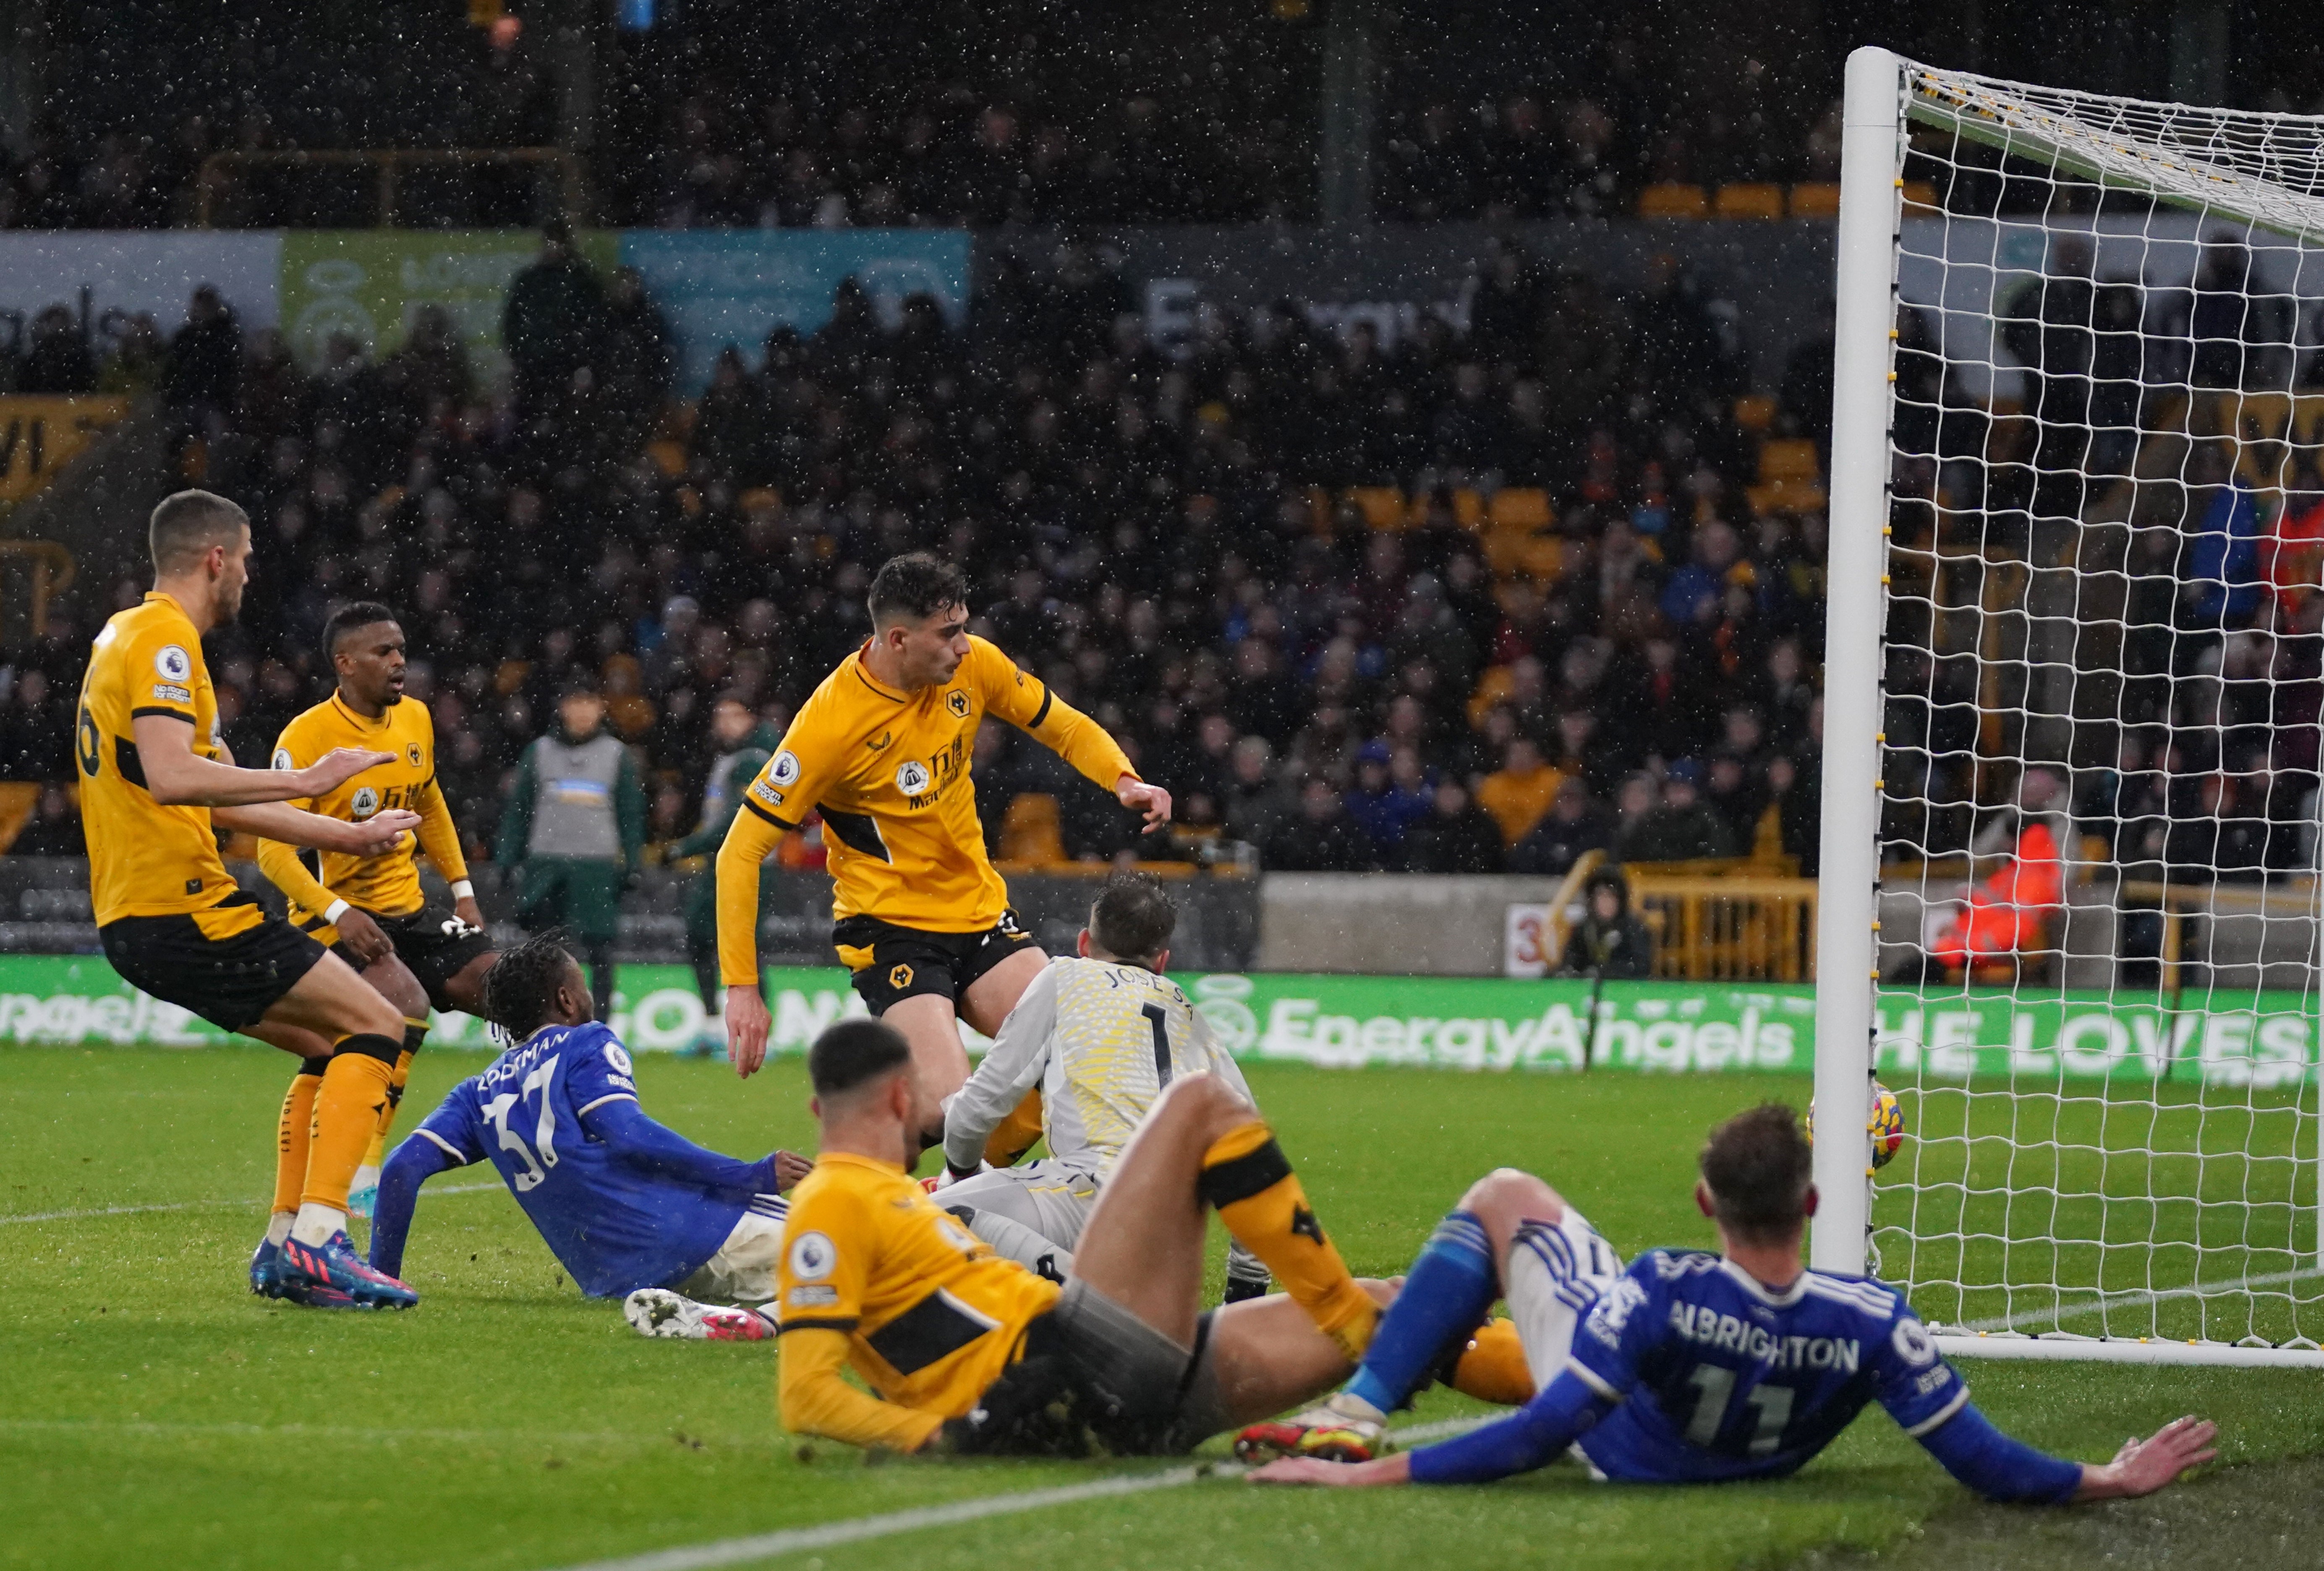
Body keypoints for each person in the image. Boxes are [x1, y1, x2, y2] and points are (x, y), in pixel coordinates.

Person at [1243, 1104, 2218, 1509]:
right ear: (1816, 1202)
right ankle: (1396, 1357)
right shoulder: (1876, 1317)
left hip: (1621, 1445)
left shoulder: (1666, 1283)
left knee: (1506, 1196)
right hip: (1735, 1446)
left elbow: (1541, 1431)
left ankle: (1352, 1418)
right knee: (1501, 1301)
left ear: (1707, 1200)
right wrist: (2112, 1476)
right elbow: (1987, 1460)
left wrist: (1369, 1483)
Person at [77, 489, 424, 1310]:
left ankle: (282, 1248)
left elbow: (212, 795)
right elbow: (173, 775)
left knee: (327, 1038)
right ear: (216, 559)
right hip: (184, 904)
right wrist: (307, 779)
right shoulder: (165, 639)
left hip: (135, 916)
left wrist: (339, 836)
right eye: (248, 557)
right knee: (381, 1022)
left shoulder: (120, 636)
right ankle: (319, 1241)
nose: (250, 573)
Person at [715, 552, 1170, 1152]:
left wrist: (1122, 778)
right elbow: (739, 852)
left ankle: (958, 1203)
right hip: (893, 929)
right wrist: (743, 989)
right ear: (899, 639)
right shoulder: (829, 724)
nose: (964, 645)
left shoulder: (974, 666)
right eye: (949, 632)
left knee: (1079, 1061)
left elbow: (1060, 724)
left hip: (980, 915)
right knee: (955, 1116)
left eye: (964, 627)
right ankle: (879, 1164)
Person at [773, 1015, 1385, 1456]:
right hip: (1057, 1374)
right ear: (903, 1097)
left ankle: (1377, 1359)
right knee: (1199, 1102)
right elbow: (805, 1395)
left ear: (817, 1110)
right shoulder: (832, 1200)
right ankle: (1336, 1313)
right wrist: (938, 1434)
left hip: (1088, 1383)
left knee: (1392, 1305)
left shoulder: (889, 1193)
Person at [367, 937, 812, 1340]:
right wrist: (750, 1176)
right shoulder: (584, 1043)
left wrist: (381, 1281)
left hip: (620, 1280)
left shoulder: (476, 1094)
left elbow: (401, 1170)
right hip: (706, 1234)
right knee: (862, 1257)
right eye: (581, 984)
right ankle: (748, 1323)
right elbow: (630, 1137)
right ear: (565, 999)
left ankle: (707, 1313)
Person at [254, 602, 498, 1226]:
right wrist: (337, 913)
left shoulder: (414, 718)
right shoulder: (306, 738)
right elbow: (273, 852)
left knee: (515, 989)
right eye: (383, 652)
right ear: (344, 664)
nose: (399, 662)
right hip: (333, 917)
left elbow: (430, 800)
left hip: (410, 910)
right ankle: (362, 1170)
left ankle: (562, 1146)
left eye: (401, 650)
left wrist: (462, 886)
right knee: (398, 1007)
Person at [936, 872, 1272, 1302]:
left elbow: (981, 1102)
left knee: (907, 1230)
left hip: (1092, 1193)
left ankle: (1090, 1308)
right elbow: (1255, 1162)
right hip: (1171, 1237)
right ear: (1162, 960)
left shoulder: (1067, 978)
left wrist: (961, 1171)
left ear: (1082, 944)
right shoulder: (1190, 1016)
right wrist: (1245, 1292)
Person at [498, 678, 646, 1022]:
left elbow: (631, 813)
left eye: (589, 703)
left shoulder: (616, 755)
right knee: (539, 952)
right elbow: (519, 810)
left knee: (600, 949)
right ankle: (537, 1021)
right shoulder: (539, 752)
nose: (582, 712)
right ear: (563, 709)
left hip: (596, 866)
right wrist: (507, 858)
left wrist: (634, 861)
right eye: (575, 703)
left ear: (600, 709)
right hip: (546, 864)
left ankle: (601, 1025)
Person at [672, 693, 779, 1056]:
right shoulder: (733, 757)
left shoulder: (755, 758)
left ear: (752, 718)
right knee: (704, 940)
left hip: (747, 864)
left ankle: (755, 1035)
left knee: (738, 946)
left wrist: (683, 848)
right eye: (720, 715)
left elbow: (737, 819)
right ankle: (713, 1027)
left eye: (734, 715)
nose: (725, 723)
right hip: (725, 862)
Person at [1558, 865, 1652, 979]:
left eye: (1611, 897)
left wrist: (1605, 973)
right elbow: (1571, 960)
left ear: (1620, 900)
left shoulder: (1633, 929)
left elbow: (1641, 966)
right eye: (1602, 896)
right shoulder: (1585, 929)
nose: (1606, 903)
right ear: (1593, 900)